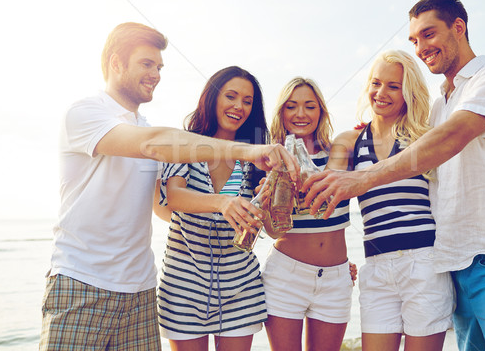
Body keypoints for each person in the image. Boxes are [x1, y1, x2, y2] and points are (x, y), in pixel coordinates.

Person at [303, 0, 485, 350]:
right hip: (456, 264)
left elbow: (450, 139)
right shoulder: (440, 105)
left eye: (428, 34)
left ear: (458, 28)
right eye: (414, 40)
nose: (421, 47)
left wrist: (364, 177)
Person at [40, 23, 297, 351]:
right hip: (83, 281)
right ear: (116, 63)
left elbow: (161, 206)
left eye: (159, 66)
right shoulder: (87, 113)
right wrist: (241, 162)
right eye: (147, 64)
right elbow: (158, 156)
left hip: (141, 289)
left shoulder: (146, 126)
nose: (156, 74)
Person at [326, 50, 452, 351]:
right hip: (376, 267)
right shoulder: (350, 141)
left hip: (424, 264)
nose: (381, 93)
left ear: (408, 92)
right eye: (376, 83)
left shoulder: (424, 137)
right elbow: (326, 190)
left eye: (394, 86)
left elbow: (463, 182)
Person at [153, 66, 270, 351]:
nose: (238, 106)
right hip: (183, 285)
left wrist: (268, 202)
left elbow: (270, 228)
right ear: (212, 98)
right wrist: (222, 203)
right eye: (230, 96)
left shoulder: (254, 156)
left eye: (247, 101)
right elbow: (175, 196)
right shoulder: (186, 143)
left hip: (240, 285)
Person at [260, 78, 354, 351]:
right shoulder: (269, 159)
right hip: (285, 276)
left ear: (321, 112)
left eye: (309, 106)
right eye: (292, 106)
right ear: (282, 113)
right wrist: (268, 203)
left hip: (336, 278)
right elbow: (273, 231)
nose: (300, 114)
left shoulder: (342, 153)